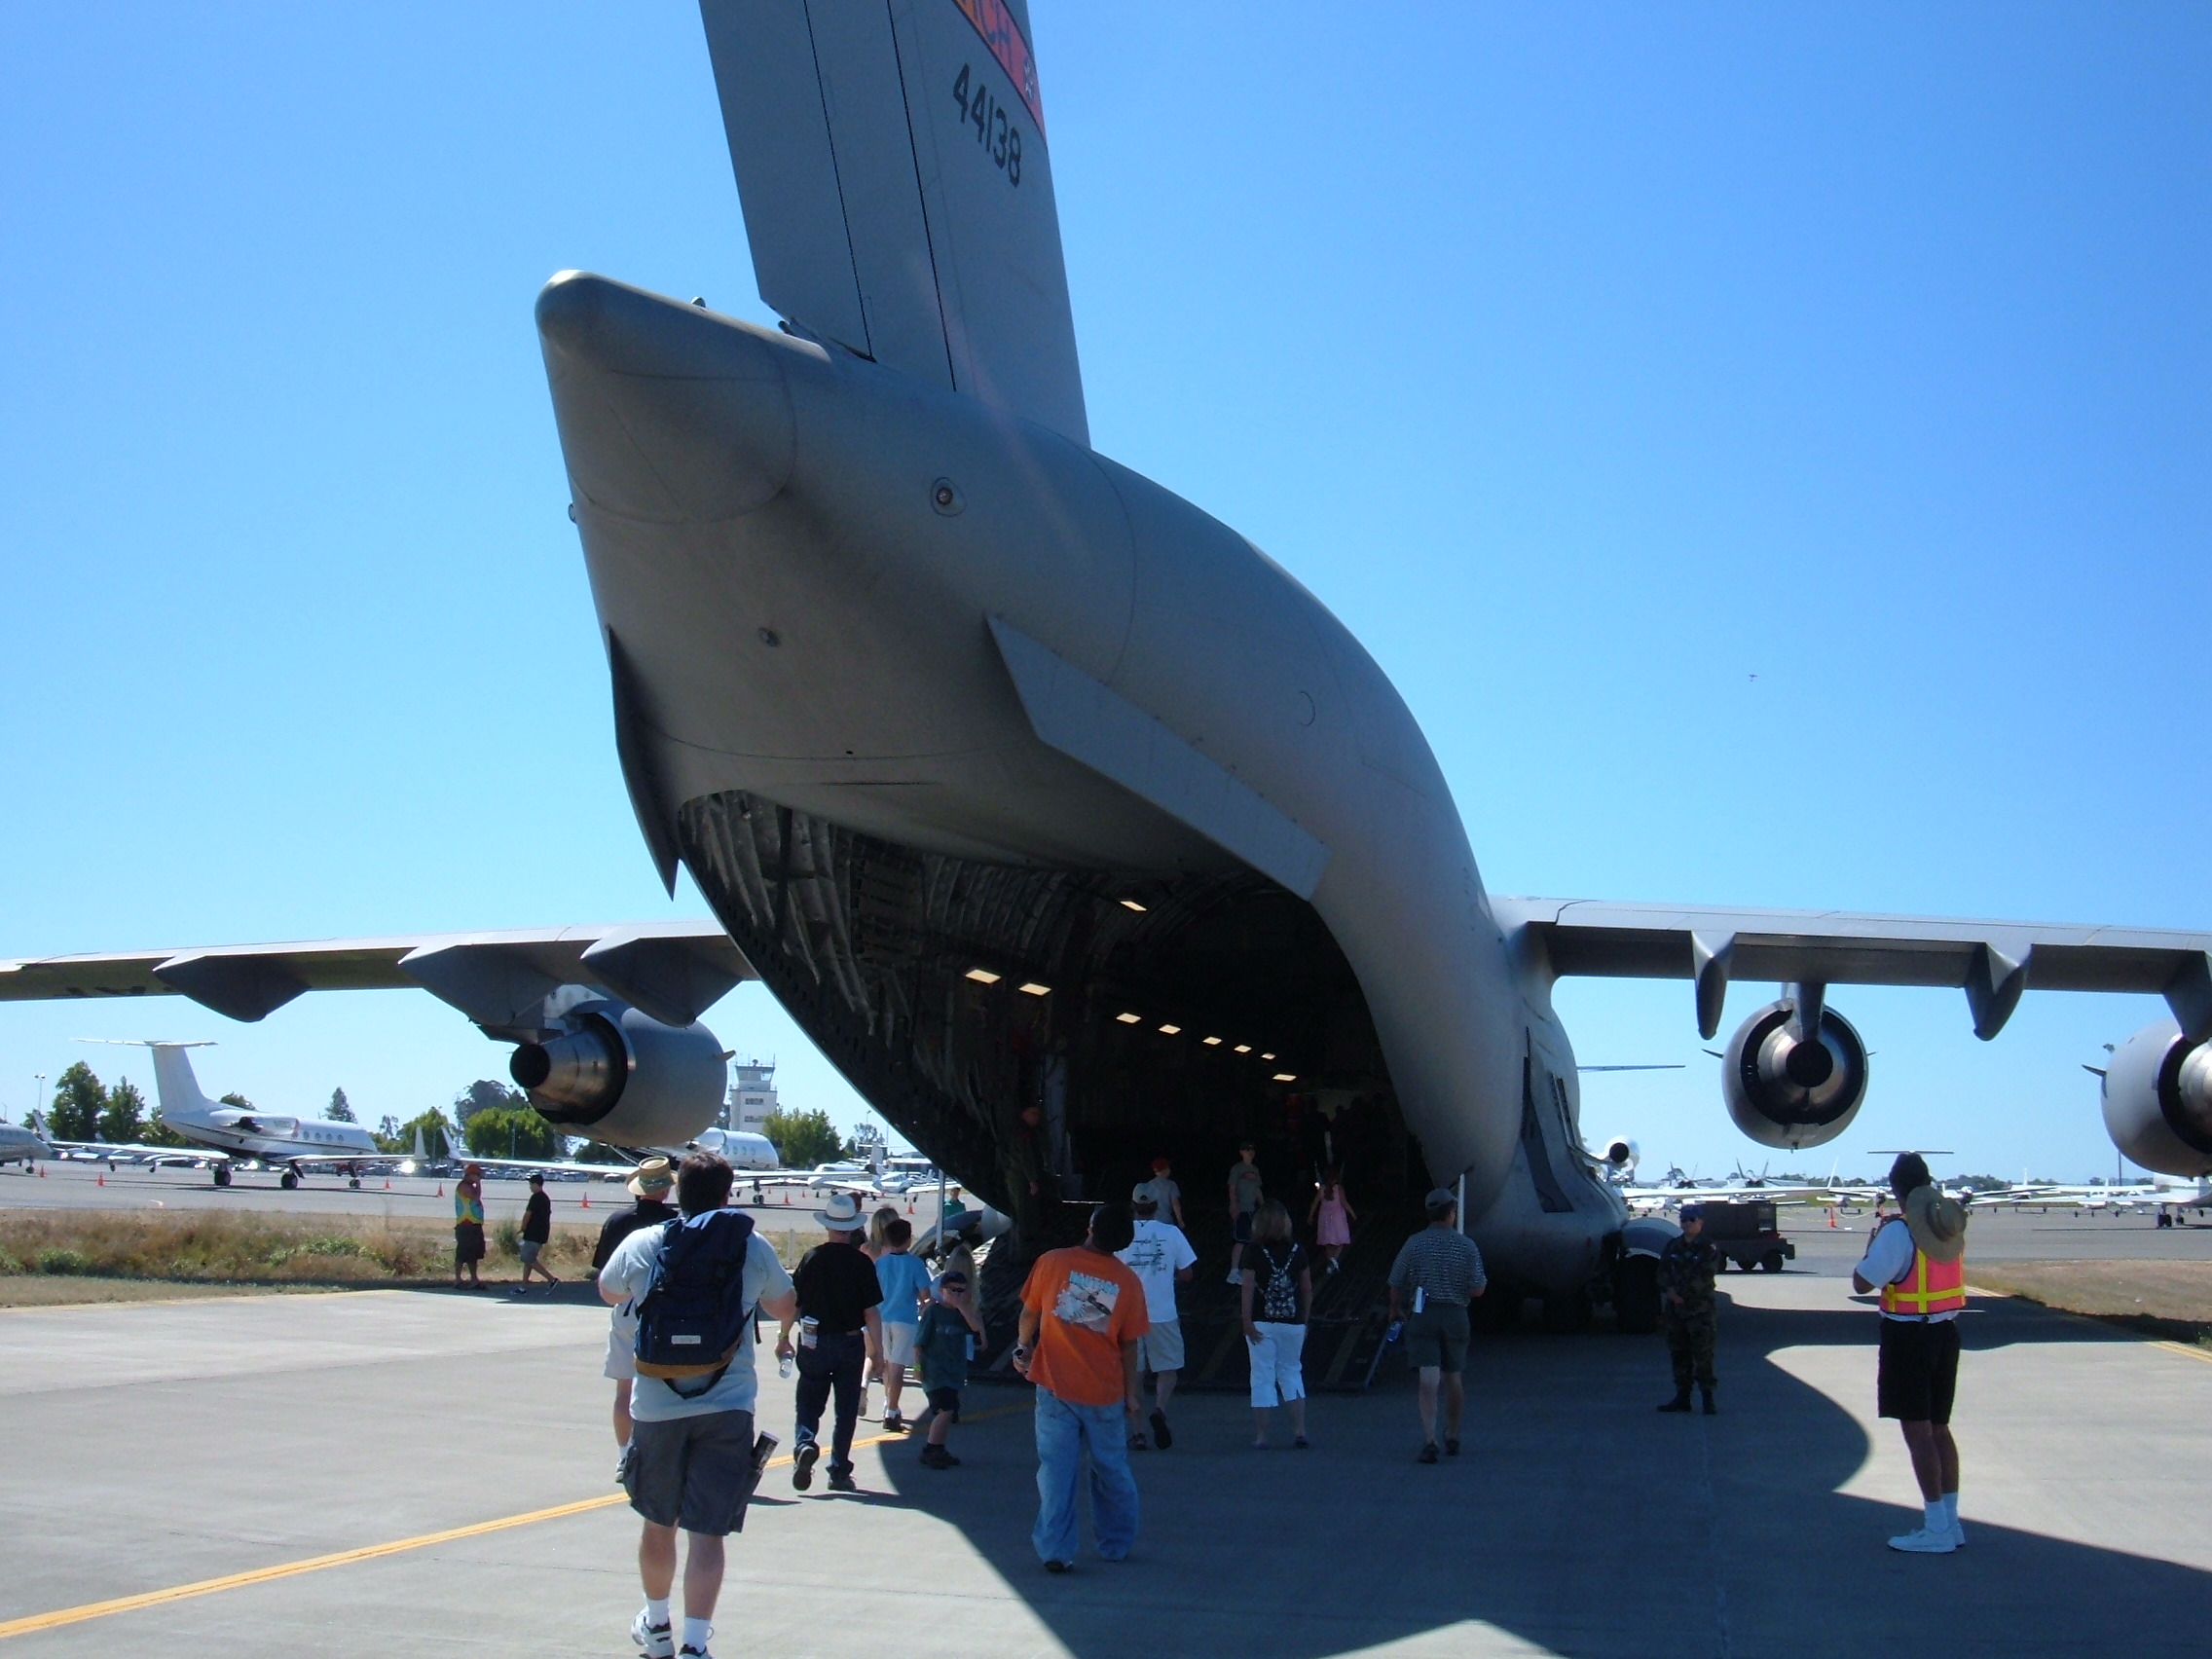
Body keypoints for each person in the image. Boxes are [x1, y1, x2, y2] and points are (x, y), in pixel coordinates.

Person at [598, 1153, 796, 1659]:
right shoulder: (749, 1246)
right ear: (727, 1195)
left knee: (657, 1521)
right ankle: (694, 1644)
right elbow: (785, 1305)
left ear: (677, 1192)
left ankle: (658, 1626)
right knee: (708, 1532)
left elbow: (606, 1289)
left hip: (656, 1405)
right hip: (728, 1406)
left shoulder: (646, 1242)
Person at [1013, 1201, 1148, 1571]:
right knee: (1111, 1469)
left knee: (1056, 1470)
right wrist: (1131, 1394)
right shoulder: (1129, 1283)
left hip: (1055, 1385)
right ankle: (1116, 1544)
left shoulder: (1053, 1262)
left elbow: (1030, 1312)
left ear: (1090, 1226)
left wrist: (1024, 1347)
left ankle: (1056, 1550)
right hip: (1104, 1391)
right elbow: (1130, 1343)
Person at [1852, 1151, 1970, 1554]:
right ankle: (1951, 1522)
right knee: (1940, 1429)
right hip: (1945, 1332)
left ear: (1896, 1190)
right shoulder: (1944, 1226)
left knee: (1916, 1432)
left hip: (1909, 1338)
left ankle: (1935, 1525)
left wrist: (1872, 1243)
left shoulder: (1899, 1233)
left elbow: (1863, 1283)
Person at [776, 1191, 883, 1493]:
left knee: (809, 1399)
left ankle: (805, 1442)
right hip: (850, 1342)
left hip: (814, 1340)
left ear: (827, 1226)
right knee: (845, 1409)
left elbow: (793, 1303)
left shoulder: (812, 1258)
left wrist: (784, 1337)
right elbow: (872, 1313)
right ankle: (838, 1469)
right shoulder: (862, 1264)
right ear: (851, 1228)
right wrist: (878, 1352)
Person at [593, 1158, 682, 1479]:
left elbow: (602, 1272)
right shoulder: (677, 1223)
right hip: (666, 1314)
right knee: (669, 1388)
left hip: (627, 1308)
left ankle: (624, 1456)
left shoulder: (618, 1222)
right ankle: (664, 1457)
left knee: (624, 1391)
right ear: (666, 1189)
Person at [1386, 1187, 1487, 1462]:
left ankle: (1429, 1439)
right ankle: (1452, 1432)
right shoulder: (1466, 1246)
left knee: (1428, 1379)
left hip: (1424, 1314)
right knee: (1453, 1375)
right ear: (1452, 1213)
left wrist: (1395, 1308)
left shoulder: (1414, 1243)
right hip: (1455, 1314)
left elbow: (1396, 1281)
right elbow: (1478, 1288)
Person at [1116, 1183, 1197, 1450]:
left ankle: (1138, 1432)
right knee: (1168, 1368)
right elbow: (1187, 1273)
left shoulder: (1122, 1234)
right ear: (1156, 1206)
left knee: (1134, 1375)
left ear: (1133, 1206)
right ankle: (1160, 1409)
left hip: (1130, 1315)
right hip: (1162, 1312)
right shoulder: (1170, 1233)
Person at [1240, 1198, 1313, 1448]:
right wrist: (1304, 1320)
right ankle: (1299, 1431)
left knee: (1262, 1375)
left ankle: (1262, 1435)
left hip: (1262, 1321)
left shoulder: (1252, 1251)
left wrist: (1246, 1320)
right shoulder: (1298, 1251)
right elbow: (1306, 1289)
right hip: (1292, 1322)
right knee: (1291, 1372)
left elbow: (1248, 1287)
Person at [913, 1268, 985, 1468]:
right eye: (952, 1290)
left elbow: (976, 1329)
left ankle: (939, 1447)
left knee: (950, 1410)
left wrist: (962, 1306)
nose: (956, 1294)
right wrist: (918, 1366)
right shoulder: (933, 1313)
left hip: (954, 1370)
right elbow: (919, 1343)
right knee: (945, 1409)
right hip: (935, 1370)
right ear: (942, 1290)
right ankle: (930, 1448)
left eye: (961, 1290)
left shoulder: (962, 1314)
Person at [1656, 1204, 1720, 1414]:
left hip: (1699, 1310)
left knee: (1703, 1355)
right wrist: (1671, 1293)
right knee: (1679, 1354)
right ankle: (1682, 1398)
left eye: (1692, 1220)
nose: (1687, 1224)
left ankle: (1707, 1398)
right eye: (1684, 1220)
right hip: (1676, 1311)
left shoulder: (1708, 1247)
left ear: (1701, 1222)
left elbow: (1706, 1274)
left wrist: (1685, 1295)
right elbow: (1663, 1271)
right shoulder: (1673, 1246)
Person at [873, 1216, 932, 1432]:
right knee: (898, 1367)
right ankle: (892, 1409)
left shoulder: (880, 1263)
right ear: (908, 1240)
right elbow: (925, 1295)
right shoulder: (915, 1263)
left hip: (882, 1317)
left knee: (889, 1364)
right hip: (905, 1319)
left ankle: (889, 1403)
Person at [515, 1173, 562, 1293]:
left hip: (533, 1234)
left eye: (531, 1184)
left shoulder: (536, 1197)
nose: (530, 1187)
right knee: (529, 1260)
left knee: (527, 1258)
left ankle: (551, 1279)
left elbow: (528, 1214)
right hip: (541, 1233)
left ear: (536, 1184)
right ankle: (523, 1287)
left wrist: (522, 1227)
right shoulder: (545, 1198)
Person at [1227, 1141, 1265, 1284]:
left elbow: (1257, 1189)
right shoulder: (1237, 1169)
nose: (1250, 1152)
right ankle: (1234, 1271)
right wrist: (1234, 1205)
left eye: (1252, 1149)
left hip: (1252, 1209)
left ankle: (1243, 1270)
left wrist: (1263, 1206)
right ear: (1241, 1152)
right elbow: (1232, 1188)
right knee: (1240, 1240)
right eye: (1247, 1149)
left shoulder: (1255, 1169)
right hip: (1241, 1208)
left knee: (1250, 1240)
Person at [1308, 1166, 1356, 1273]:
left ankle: (1330, 1263)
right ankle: (1334, 1261)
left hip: (1324, 1218)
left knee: (1328, 1244)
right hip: (1337, 1218)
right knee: (1340, 1241)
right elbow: (1344, 1202)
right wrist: (1352, 1213)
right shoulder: (1339, 1189)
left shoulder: (1322, 1189)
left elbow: (1314, 1204)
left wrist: (1310, 1216)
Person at [452, 1163, 486, 1289]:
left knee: (474, 1255)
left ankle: (474, 1279)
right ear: (470, 1175)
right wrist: (479, 1184)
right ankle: (458, 1279)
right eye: (477, 1175)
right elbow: (475, 1197)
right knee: (462, 1253)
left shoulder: (471, 1186)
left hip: (474, 1225)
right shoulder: (463, 1187)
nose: (479, 1177)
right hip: (465, 1225)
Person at [1133, 1156, 1186, 1231]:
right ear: (1166, 1169)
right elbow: (1175, 1203)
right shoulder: (1171, 1184)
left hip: (1149, 1221)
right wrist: (1180, 1220)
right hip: (1165, 1220)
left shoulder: (1149, 1184)